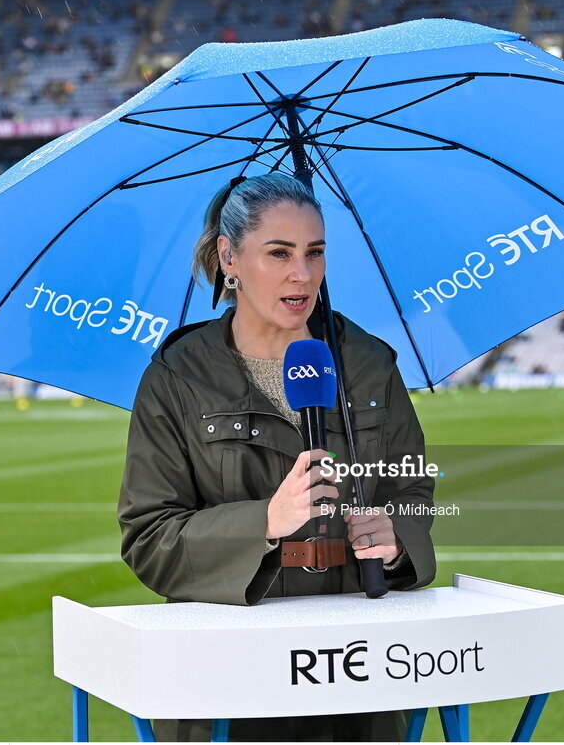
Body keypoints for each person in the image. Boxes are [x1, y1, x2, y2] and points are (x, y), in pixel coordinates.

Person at [116, 172, 437, 741]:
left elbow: (412, 491)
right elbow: (148, 538)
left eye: (315, 253)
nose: (303, 274)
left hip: (361, 674)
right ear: (229, 256)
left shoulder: (368, 363)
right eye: (280, 253)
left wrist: (395, 542)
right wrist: (264, 521)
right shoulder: (176, 377)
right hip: (226, 677)